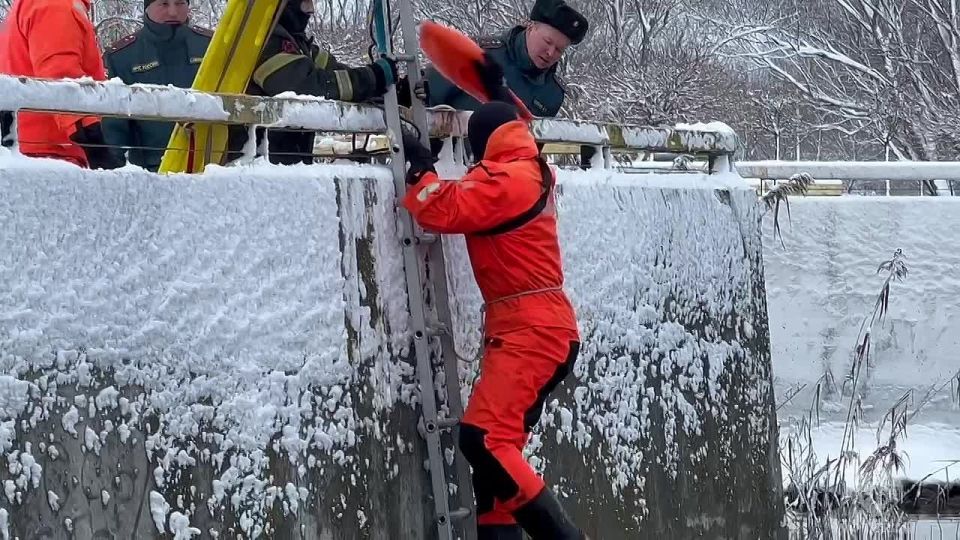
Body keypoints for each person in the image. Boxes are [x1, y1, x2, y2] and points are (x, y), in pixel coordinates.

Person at [399, 97, 586, 539]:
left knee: (483, 441)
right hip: (531, 328)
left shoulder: (508, 177)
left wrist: (420, 168)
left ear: (482, 143)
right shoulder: (524, 168)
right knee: (495, 477)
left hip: (532, 331)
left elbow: (442, 206)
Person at [227, 0, 398, 165]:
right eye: (306, 1)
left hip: (283, 164)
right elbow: (311, 87)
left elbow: (337, 73)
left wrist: (387, 88)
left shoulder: (299, 44)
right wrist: (373, 77)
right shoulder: (261, 42)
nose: (311, 10)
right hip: (256, 167)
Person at [0, 0, 122, 169]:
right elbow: (62, 79)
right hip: (52, 153)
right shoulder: (55, 6)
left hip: (26, 147)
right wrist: (95, 146)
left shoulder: (28, 5)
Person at [422, 0, 588, 118]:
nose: (550, 53)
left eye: (559, 50)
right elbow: (424, 96)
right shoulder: (480, 53)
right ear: (530, 27)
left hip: (507, 166)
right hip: (451, 160)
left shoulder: (552, 93)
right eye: (547, 42)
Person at [101, 0, 212, 172]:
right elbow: (115, 129)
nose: (173, 12)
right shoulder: (123, 56)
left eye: (180, 3)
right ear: (148, 8)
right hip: (151, 171)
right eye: (164, 4)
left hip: (211, 167)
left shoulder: (210, 46)